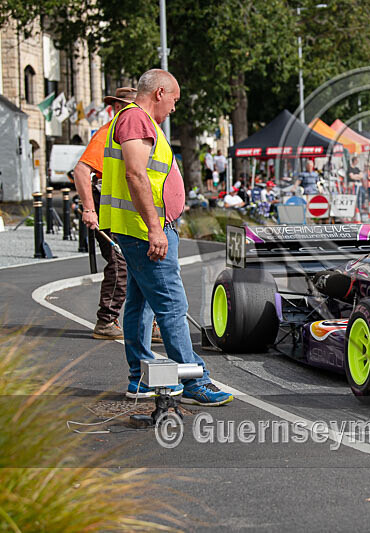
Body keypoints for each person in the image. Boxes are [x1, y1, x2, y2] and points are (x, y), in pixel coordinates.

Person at [99, 68, 232, 405]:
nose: (174, 108)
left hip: (140, 230)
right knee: (172, 305)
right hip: (145, 232)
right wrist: (156, 228)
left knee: (140, 305)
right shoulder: (136, 120)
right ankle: (194, 379)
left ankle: (139, 378)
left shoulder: (136, 121)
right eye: (174, 99)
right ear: (159, 92)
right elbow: (135, 173)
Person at [72, 87, 162, 343]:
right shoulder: (108, 132)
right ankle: (106, 319)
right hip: (110, 210)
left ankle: (150, 323)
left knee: (144, 263)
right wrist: (89, 208)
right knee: (120, 263)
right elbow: (81, 171)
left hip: (132, 211)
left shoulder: (139, 129)